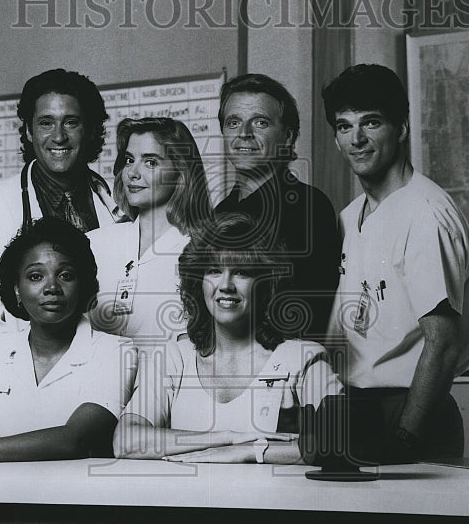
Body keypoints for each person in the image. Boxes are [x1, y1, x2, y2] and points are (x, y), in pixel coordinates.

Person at [322, 63, 469, 463]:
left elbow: (443, 343)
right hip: (356, 409)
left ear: (402, 128)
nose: (356, 139)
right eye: (344, 126)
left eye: (371, 123)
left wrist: (406, 436)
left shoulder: (424, 214)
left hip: (412, 411)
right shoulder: (348, 216)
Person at [114, 214, 342, 463]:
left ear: (266, 284)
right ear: (198, 282)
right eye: (213, 270)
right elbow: (126, 441)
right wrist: (228, 438)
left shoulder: (301, 358)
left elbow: (343, 440)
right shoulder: (174, 356)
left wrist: (249, 451)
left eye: (242, 272)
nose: (225, 285)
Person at [0, 217, 135, 464]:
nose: (52, 287)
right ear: (17, 288)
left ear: (83, 285)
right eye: (36, 276)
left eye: (66, 275)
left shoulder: (114, 351)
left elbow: (76, 440)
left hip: (76, 499)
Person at [0, 69, 119, 355]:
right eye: (45, 123)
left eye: (71, 122)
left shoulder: (117, 203)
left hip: (109, 372)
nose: (59, 136)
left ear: (90, 130)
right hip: (23, 384)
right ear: (29, 131)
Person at [214, 73, 340, 339]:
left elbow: (308, 316)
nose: (244, 134)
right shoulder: (218, 215)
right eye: (233, 122)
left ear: (287, 137)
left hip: (284, 371)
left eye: (260, 122)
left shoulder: (310, 208)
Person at [87, 116, 212, 342]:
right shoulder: (93, 244)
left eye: (150, 162)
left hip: (171, 376)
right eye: (128, 160)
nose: (132, 173)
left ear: (181, 170)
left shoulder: (205, 251)